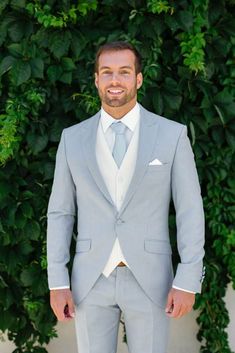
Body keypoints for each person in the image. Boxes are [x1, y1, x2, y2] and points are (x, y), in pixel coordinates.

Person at [47, 41, 205, 353]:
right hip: (91, 280)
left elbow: (189, 209)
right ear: (96, 80)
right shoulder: (72, 138)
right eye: (107, 72)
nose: (115, 80)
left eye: (124, 72)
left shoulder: (172, 135)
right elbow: (60, 214)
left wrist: (188, 278)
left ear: (138, 79)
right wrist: (58, 282)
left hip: (151, 279)